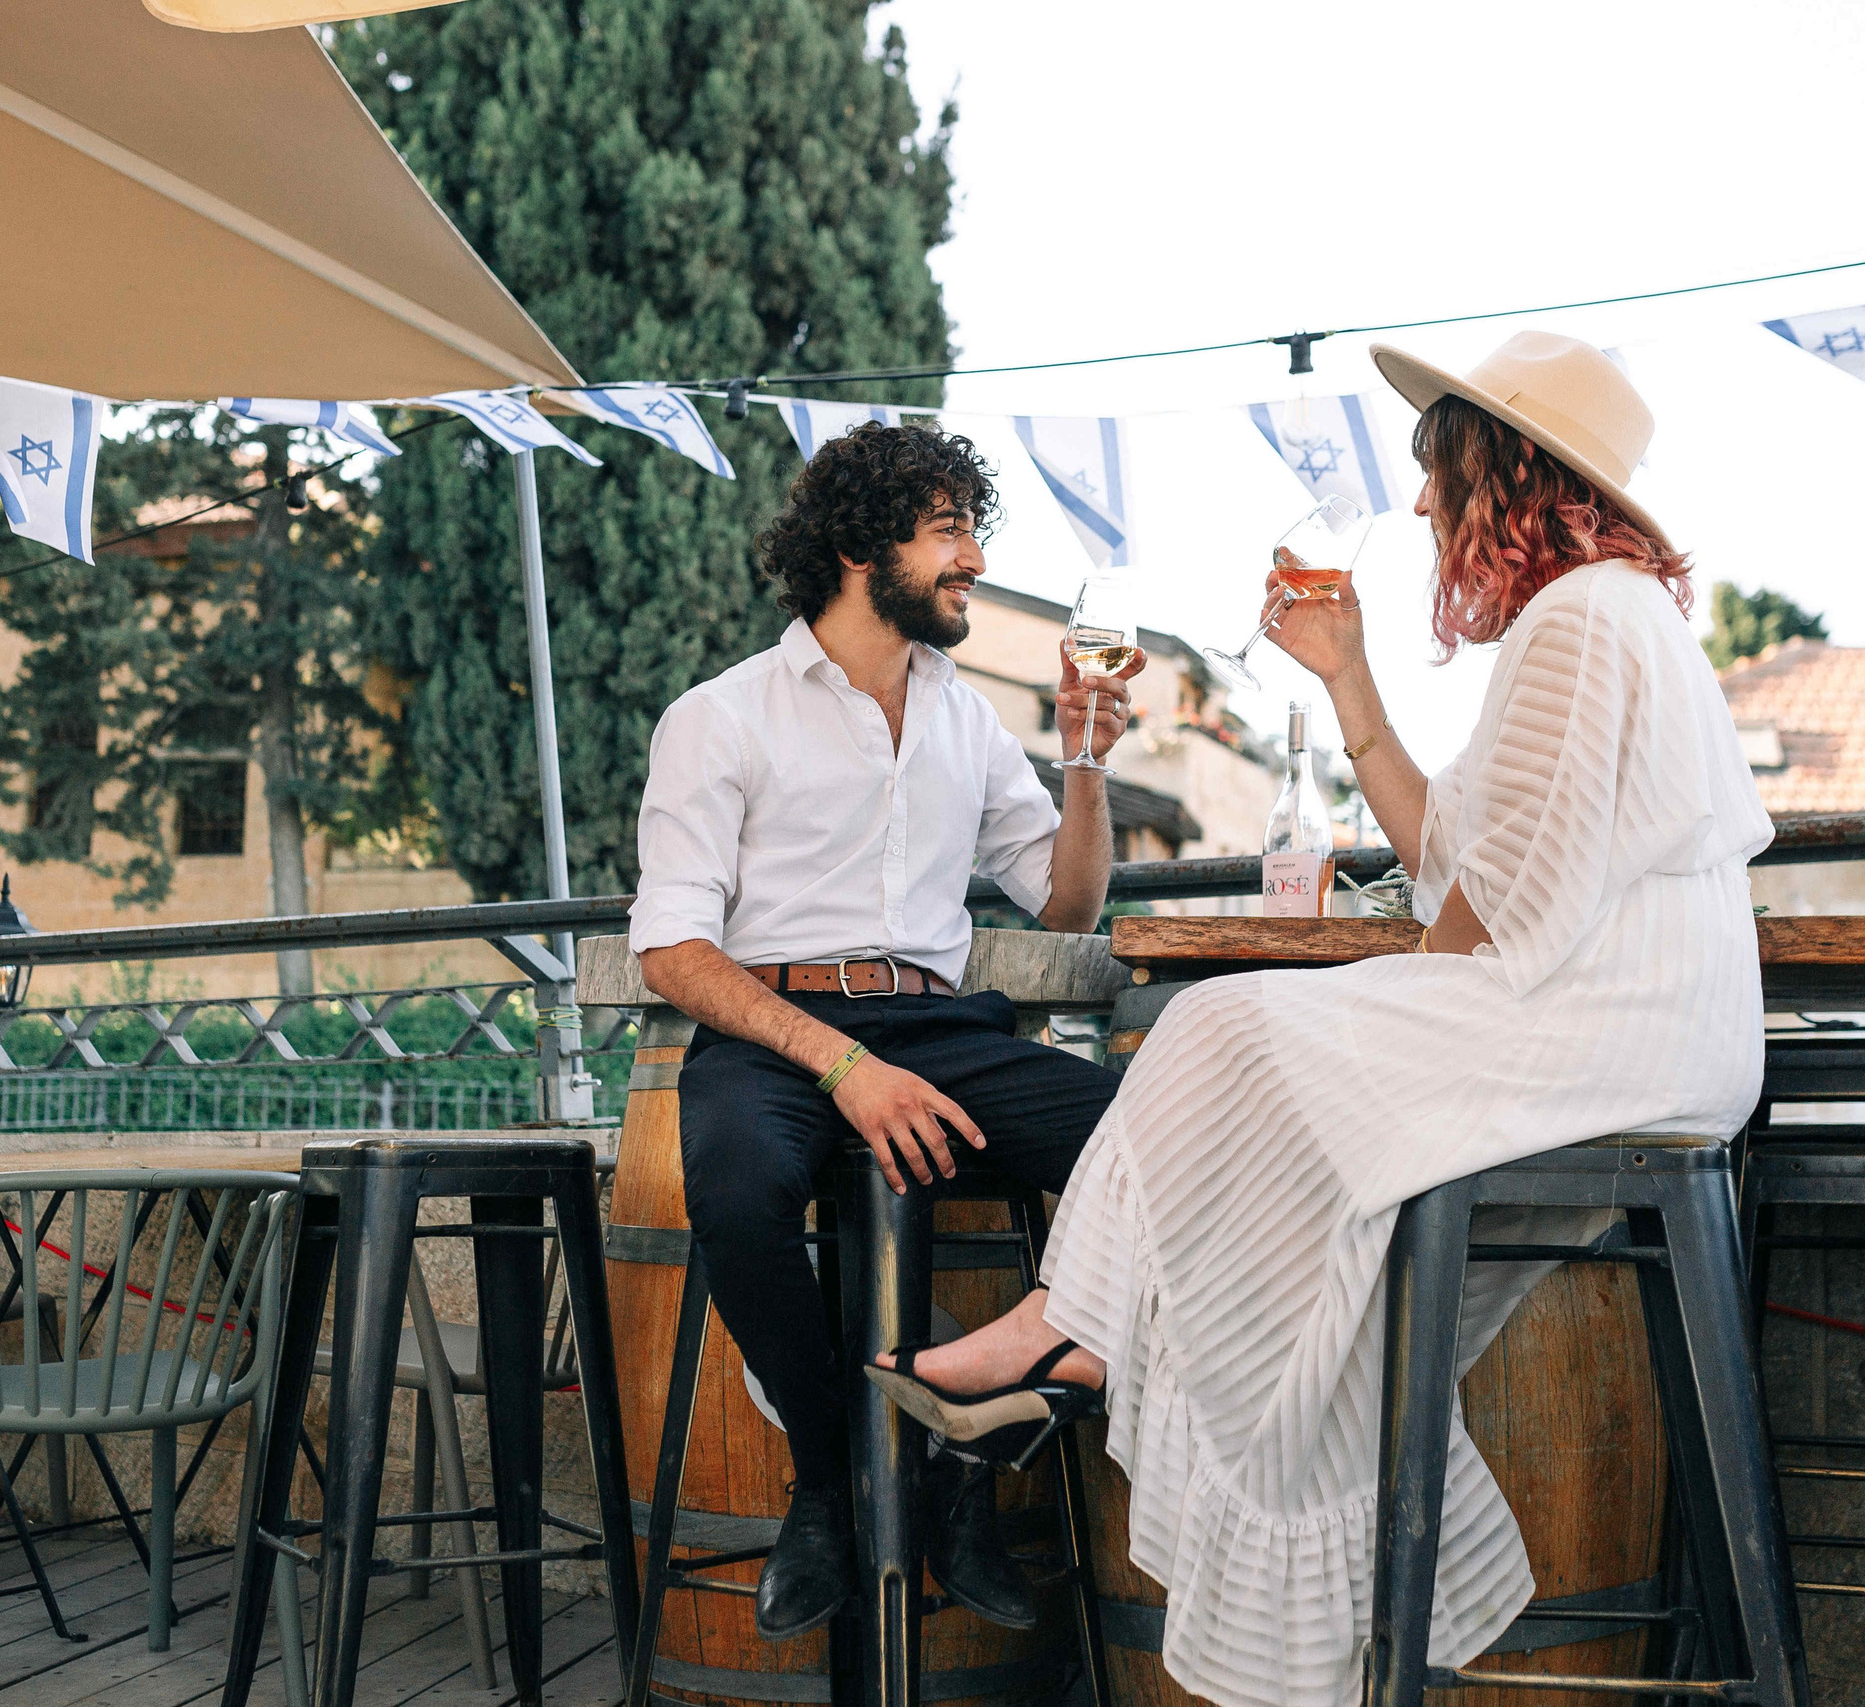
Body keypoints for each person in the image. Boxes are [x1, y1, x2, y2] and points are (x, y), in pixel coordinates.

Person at [867, 332, 1775, 1707]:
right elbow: (1464, 872)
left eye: (1434, 470)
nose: (1419, 506)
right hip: (1610, 1016)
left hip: (1608, 1026)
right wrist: (1349, 677)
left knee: (1222, 1031)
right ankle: (1077, 1328)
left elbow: (1491, 914)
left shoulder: (1586, 620)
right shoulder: (1593, 617)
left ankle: (1078, 1328)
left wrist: (1381, 991)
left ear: (1500, 473)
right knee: (1236, 1041)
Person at [628, 421, 1141, 1640]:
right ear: (861, 545)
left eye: (972, 527)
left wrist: (1083, 764)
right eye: (948, 528)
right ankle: (834, 1480)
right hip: (775, 1030)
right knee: (742, 1187)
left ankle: (979, 1444)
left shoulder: (965, 719)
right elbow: (672, 948)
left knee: (1150, 1139)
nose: (971, 558)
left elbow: (1065, 904)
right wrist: (842, 1065)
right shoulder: (720, 715)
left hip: (939, 1022)